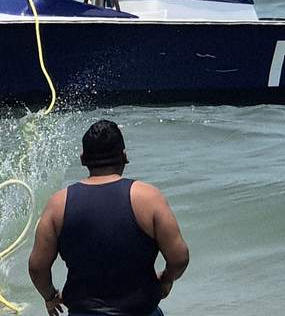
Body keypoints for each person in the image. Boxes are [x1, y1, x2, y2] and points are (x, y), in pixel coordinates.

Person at [28, 120, 190, 316]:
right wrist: (166, 279)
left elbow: (37, 268)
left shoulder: (58, 204)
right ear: (124, 156)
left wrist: (50, 295)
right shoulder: (149, 198)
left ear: (83, 159)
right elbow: (179, 258)